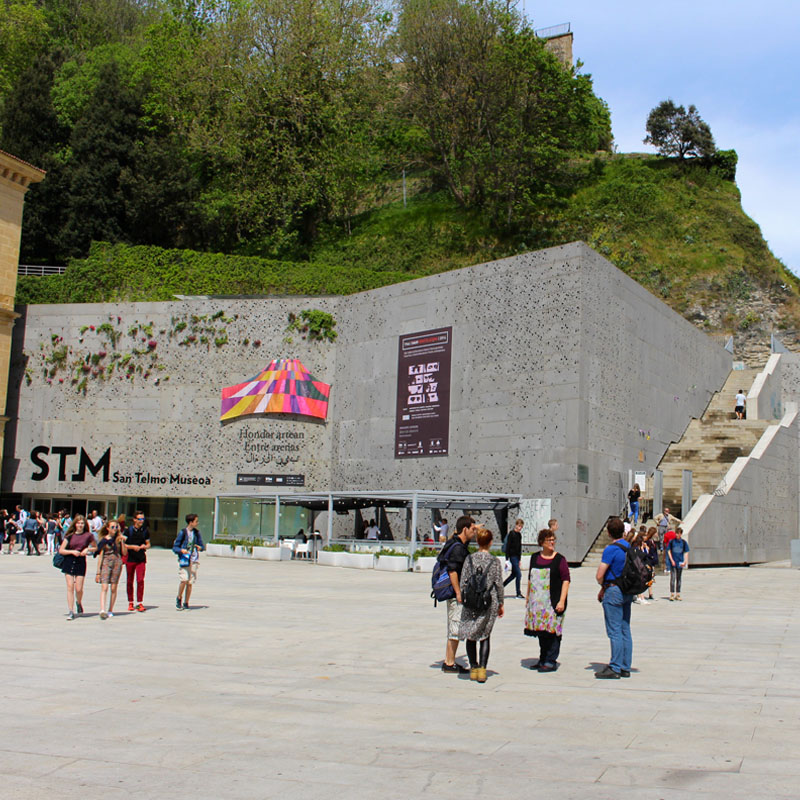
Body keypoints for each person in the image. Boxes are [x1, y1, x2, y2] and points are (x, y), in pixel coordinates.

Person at [459, 527, 504, 683]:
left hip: (471, 601)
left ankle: (473, 668)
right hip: (488, 600)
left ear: (477, 541)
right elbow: (499, 584)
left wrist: (464, 596)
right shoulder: (495, 561)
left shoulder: (469, 559)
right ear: (490, 542)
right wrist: (501, 602)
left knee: (471, 635)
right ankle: (483, 671)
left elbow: (463, 580)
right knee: (485, 635)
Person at [525, 528, 570, 672]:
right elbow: (530, 579)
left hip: (553, 601)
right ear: (541, 542)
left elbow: (566, 580)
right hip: (537, 604)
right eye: (549, 540)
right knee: (542, 632)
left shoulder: (560, 560)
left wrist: (562, 600)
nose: (552, 543)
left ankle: (551, 660)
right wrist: (527, 598)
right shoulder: (534, 558)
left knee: (553, 632)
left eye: (553, 540)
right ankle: (542, 658)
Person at [595, 517, 633, 679]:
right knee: (625, 628)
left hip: (613, 590)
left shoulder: (611, 549)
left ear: (609, 533)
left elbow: (599, 575)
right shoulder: (628, 547)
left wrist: (602, 586)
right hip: (627, 591)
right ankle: (625, 666)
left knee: (614, 630)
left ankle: (615, 667)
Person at [441, 515, 477, 673]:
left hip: (457, 593)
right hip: (456, 594)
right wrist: (458, 593)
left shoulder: (457, 543)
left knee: (454, 627)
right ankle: (449, 663)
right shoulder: (457, 548)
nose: (475, 532)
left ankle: (449, 660)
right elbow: (452, 571)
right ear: (465, 529)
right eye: (473, 529)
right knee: (455, 627)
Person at [58, 515, 95, 620]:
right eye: (78, 523)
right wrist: (72, 552)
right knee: (70, 587)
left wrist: (87, 550)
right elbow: (61, 550)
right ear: (75, 524)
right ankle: (71, 610)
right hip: (69, 561)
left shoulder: (88, 535)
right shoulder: (69, 535)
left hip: (80, 561)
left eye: (82, 523)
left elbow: (95, 547)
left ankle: (78, 602)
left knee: (78, 589)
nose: (80, 525)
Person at [94, 519, 127, 619]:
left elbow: (124, 553)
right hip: (106, 562)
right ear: (107, 528)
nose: (114, 529)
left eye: (116, 527)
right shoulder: (104, 540)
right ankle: (102, 609)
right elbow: (100, 555)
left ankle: (111, 609)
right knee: (104, 587)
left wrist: (122, 542)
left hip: (117, 562)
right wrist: (98, 572)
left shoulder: (119, 539)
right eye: (112, 527)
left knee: (113, 587)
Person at [173, 514, 206, 610]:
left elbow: (202, 545)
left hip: (194, 559)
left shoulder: (196, 533)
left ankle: (186, 602)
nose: (197, 523)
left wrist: (200, 547)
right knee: (184, 579)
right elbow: (175, 547)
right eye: (196, 521)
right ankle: (179, 597)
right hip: (184, 559)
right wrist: (181, 550)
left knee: (190, 582)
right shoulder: (183, 533)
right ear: (191, 522)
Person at [124, 511, 150, 612]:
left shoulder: (145, 531)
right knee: (129, 581)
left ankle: (139, 602)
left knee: (140, 580)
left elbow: (148, 544)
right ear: (134, 519)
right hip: (130, 558)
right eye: (139, 519)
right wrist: (132, 547)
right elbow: (123, 544)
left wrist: (145, 546)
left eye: (143, 519)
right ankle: (130, 602)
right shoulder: (128, 531)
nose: (141, 521)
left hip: (141, 558)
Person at [502, 518, 524, 598]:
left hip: (517, 557)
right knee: (519, 574)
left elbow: (519, 547)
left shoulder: (519, 535)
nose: (520, 528)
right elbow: (508, 546)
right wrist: (507, 559)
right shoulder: (512, 533)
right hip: (512, 556)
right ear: (516, 525)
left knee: (513, 575)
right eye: (519, 526)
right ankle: (518, 593)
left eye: (521, 527)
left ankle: (501, 586)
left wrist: (520, 559)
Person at [667, 527, 690, 600]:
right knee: (673, 578)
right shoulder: (672, 541)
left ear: (681, 534)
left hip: (680, 561)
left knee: (679, 578)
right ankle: (672, 593)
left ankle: (678, 593)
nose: (677, 535)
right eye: (676, 533)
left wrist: (685, 561)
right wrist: (671, 560)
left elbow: (686, 552)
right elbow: (668, 551)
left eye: (678, 533)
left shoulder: (683, 542)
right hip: (674, 561)